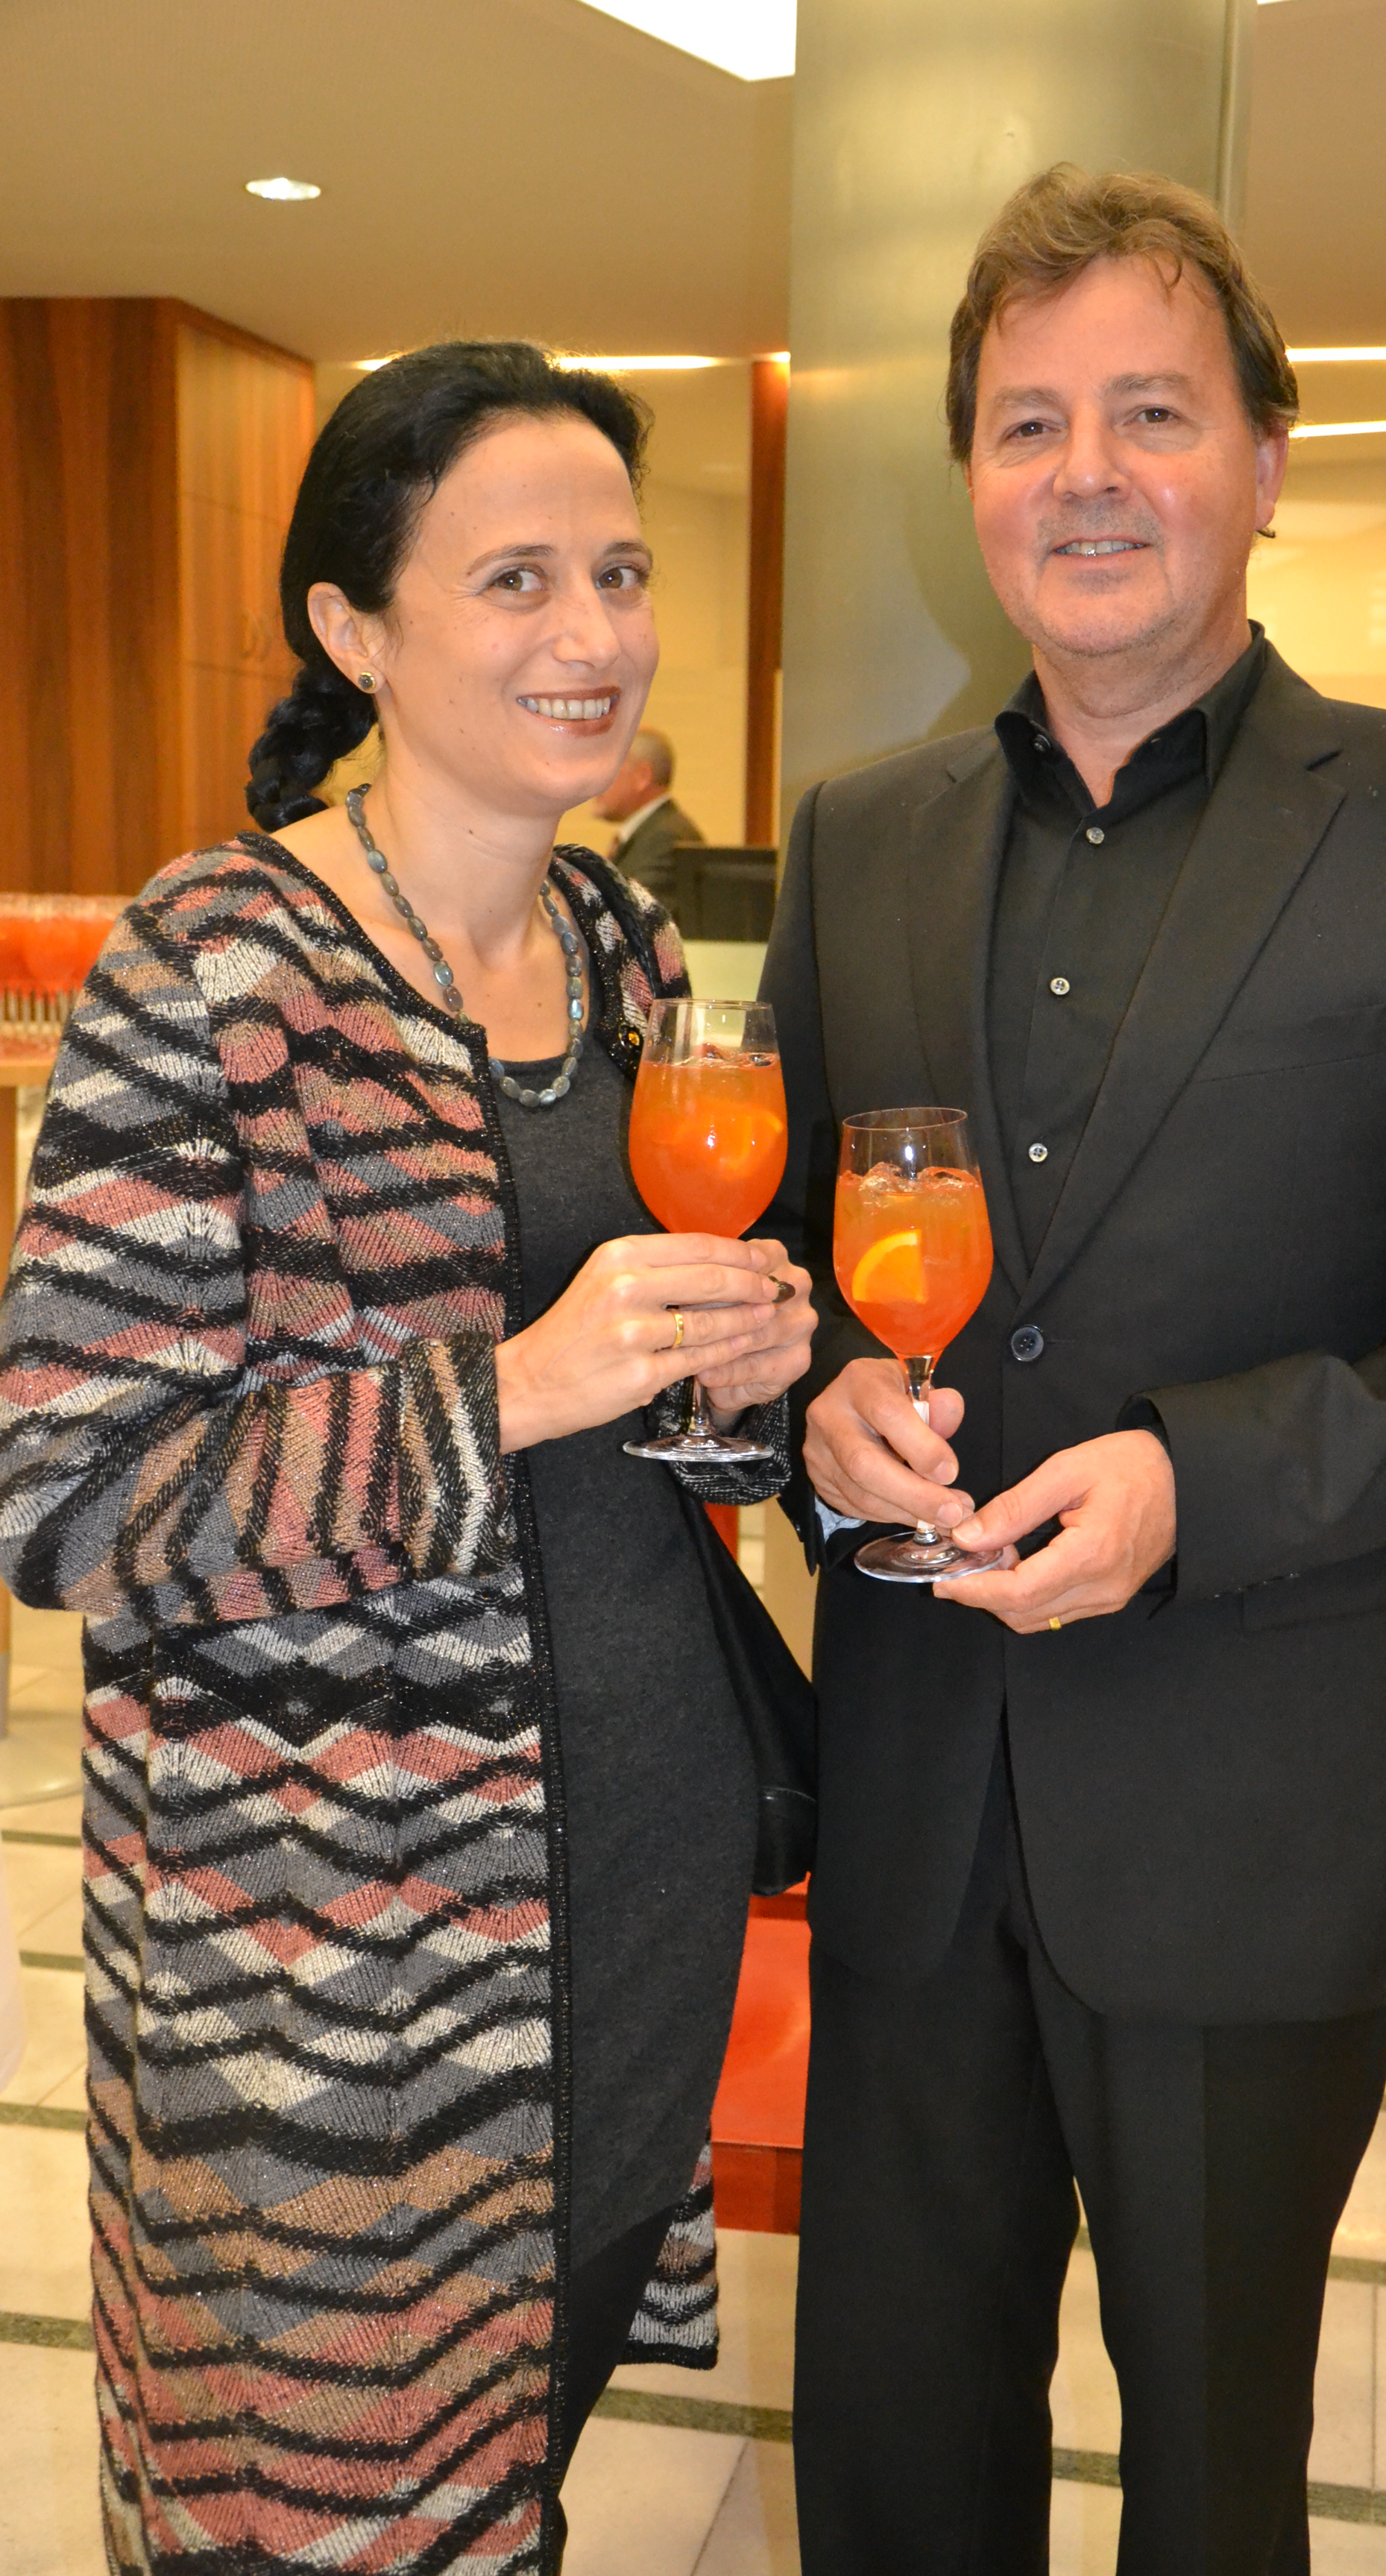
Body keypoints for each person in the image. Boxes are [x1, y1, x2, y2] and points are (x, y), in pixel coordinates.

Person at [761, 167, 1386, 2575]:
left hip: (1251, 1807)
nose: (1086, 473)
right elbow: (785, 1271)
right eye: (1026, 421)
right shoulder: (861, 843)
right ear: (968, 475)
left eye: (1151, 412)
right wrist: (814, 1400)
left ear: (1266, 456)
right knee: (894, 2455)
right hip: (919, 1796)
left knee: (1212, 2485)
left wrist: (1199, 1477)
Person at [0, 341, 814, 2576]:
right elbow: (76, 1499)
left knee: (517, 2467)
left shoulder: (625, 946)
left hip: (630, 1895)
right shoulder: (212, 965)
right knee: (324, 2506)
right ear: (353, 629)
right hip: (328, 1979)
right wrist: (518, 1384)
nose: (593, 631)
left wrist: (741, 1379)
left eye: (621, 573)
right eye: (515, 578)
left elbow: (652, 1437)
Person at [589, 724, 706, 905]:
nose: (595, 780)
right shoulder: (651, 834)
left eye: (607, 767)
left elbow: (627, 911)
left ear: (642, 777)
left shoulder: (667, 839)